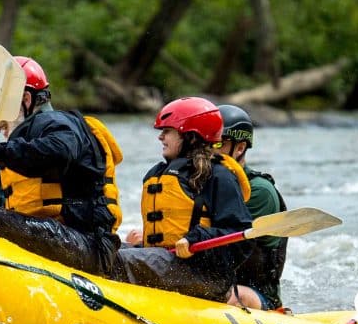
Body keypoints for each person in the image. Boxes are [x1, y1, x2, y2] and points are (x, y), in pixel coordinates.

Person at [0, 56, 122, 276]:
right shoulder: (39, 131)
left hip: (85, 245)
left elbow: (59, 151)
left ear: (26, 99)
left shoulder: (57, 123)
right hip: (65, 239)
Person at [114, 97, 254, 302]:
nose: (161, 137)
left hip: (202, 274)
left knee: (113, 260)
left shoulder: (218, 175)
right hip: (164, 261)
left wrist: (196, 239)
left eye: (167, 131)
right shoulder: (158, 173)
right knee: (107, 248)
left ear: (191, 136)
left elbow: (240, 236)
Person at [216, 104, 288, 310]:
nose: (208, 152)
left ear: (239, 148)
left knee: (228, 296)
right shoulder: (198, 183)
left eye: (218, 144)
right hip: (210, 283)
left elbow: (225, 251)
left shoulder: (259, 192)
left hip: (256, 295)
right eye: (206, 144)